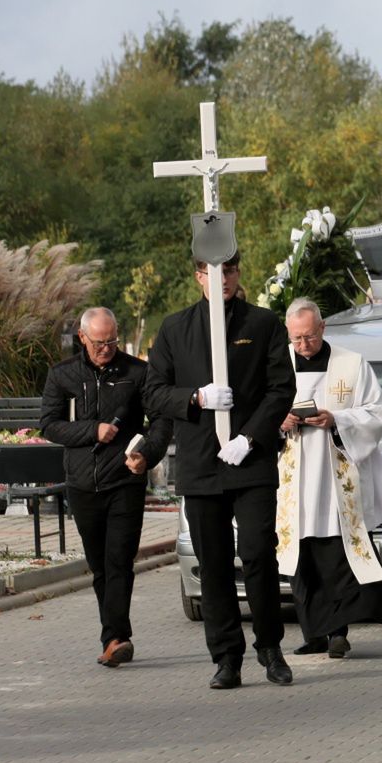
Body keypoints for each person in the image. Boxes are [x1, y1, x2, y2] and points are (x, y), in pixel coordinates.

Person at [146, 254, 297, 689]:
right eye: (213, 273)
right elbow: (154, 392)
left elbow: (280, 389)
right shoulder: (176, 328)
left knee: (256, 554)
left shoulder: (263, 324)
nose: (222, 279)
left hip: (249, 461)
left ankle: (269, 646)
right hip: (201, 464)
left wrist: (249, 437)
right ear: (198, 277)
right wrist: (195, 398)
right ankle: (226, 657)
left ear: (238, 273)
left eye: (229, 271)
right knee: (212, 565)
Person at [41, 307, 173, 668]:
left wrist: (146, 452)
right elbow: (49, 425)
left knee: (119, 560)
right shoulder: (62, 375)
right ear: (83, 337)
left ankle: (117, 637)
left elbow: (161, 420)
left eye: (112, 341)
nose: (106, 349)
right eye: (99, 343)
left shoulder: (138, 372)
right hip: (82, 483)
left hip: (124, 481)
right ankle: (112, 634)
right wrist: (92, 430)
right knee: (99, 564)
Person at [275, 298, 382, 658]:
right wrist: (280, 421)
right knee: (299, 561)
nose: (303, 346)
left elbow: (377, 412)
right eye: (296, 339)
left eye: (309, 337)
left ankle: (336, 633)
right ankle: (313, 633)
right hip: (290, 478)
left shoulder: (351, 364)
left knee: (335, 559)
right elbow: (257, 410)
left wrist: (337, 419)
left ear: (322, 329)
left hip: (334, 476)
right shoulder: (275, 364)